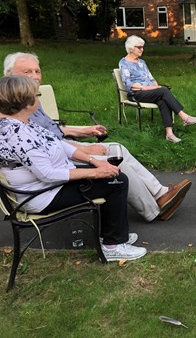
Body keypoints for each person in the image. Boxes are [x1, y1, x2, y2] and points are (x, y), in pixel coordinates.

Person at [3, 52, 191, 222]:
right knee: (115, 161)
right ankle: (153, 210)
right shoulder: (18, 108)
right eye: (27, 72)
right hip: (53, 161)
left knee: (117, 149)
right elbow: (42, 150)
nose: (35, 76)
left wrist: (86, 131)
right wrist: (84, 150)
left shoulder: (30, 99)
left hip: (58, 149)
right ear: (9, 75)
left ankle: (160, 193)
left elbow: (53, 130)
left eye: (37, 70)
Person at [0, 76, 147, 261]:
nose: (39, 99)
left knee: (110, 174)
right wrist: (95, 172)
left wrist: (94, 161)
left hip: (48, 185)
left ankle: (114, 234)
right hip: (41, 195)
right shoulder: (16, 133)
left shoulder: (22, 123)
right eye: (37, 95)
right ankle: (113, 245)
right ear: (27, 102)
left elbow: (60, 144)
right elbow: (47, 174)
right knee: (116, 181)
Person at [119, 35, 196, 143]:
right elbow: (129, 84)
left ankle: (169, 134)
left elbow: (151, 78)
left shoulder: (142, 63)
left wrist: (155, 86)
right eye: (139, 47)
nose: (142, 49)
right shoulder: (124, 63)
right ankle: (184, 117)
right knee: (163, 91)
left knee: (162, 100)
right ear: (131, 48)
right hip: (136, 94)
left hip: (149, 91)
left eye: (142, 47)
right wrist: (148, 88)